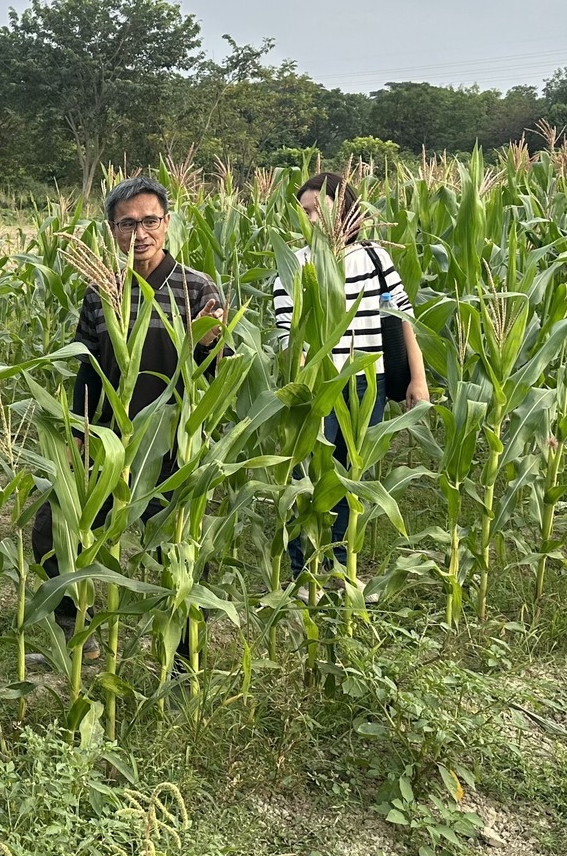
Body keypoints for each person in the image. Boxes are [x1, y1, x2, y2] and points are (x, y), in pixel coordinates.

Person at [30, 175, 225, 655]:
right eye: (127, 224)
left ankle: (183, 655)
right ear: (112, 230)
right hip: (107, 436)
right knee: (54, 528)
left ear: (167, 223)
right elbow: (87, 364)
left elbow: (214, 375)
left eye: (150, 221)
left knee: (175, 544)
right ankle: (78, 628)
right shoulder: (102, 289)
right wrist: (78, 429)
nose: (140, 233)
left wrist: (206, 345)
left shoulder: (197, 287)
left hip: (170, 440)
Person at [272, 171, 430, 578]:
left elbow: (403, 318)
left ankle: (339, 564)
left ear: (343, 208)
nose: (310, 218)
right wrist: (307, 378)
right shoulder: (295, 266)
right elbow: (289, 336)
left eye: (317, 209)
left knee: (349, 474)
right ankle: (303, 571)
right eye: (304, 211)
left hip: (367, 381)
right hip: (318, 385)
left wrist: (418, 378)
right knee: (309, 475)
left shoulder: (376, 258)